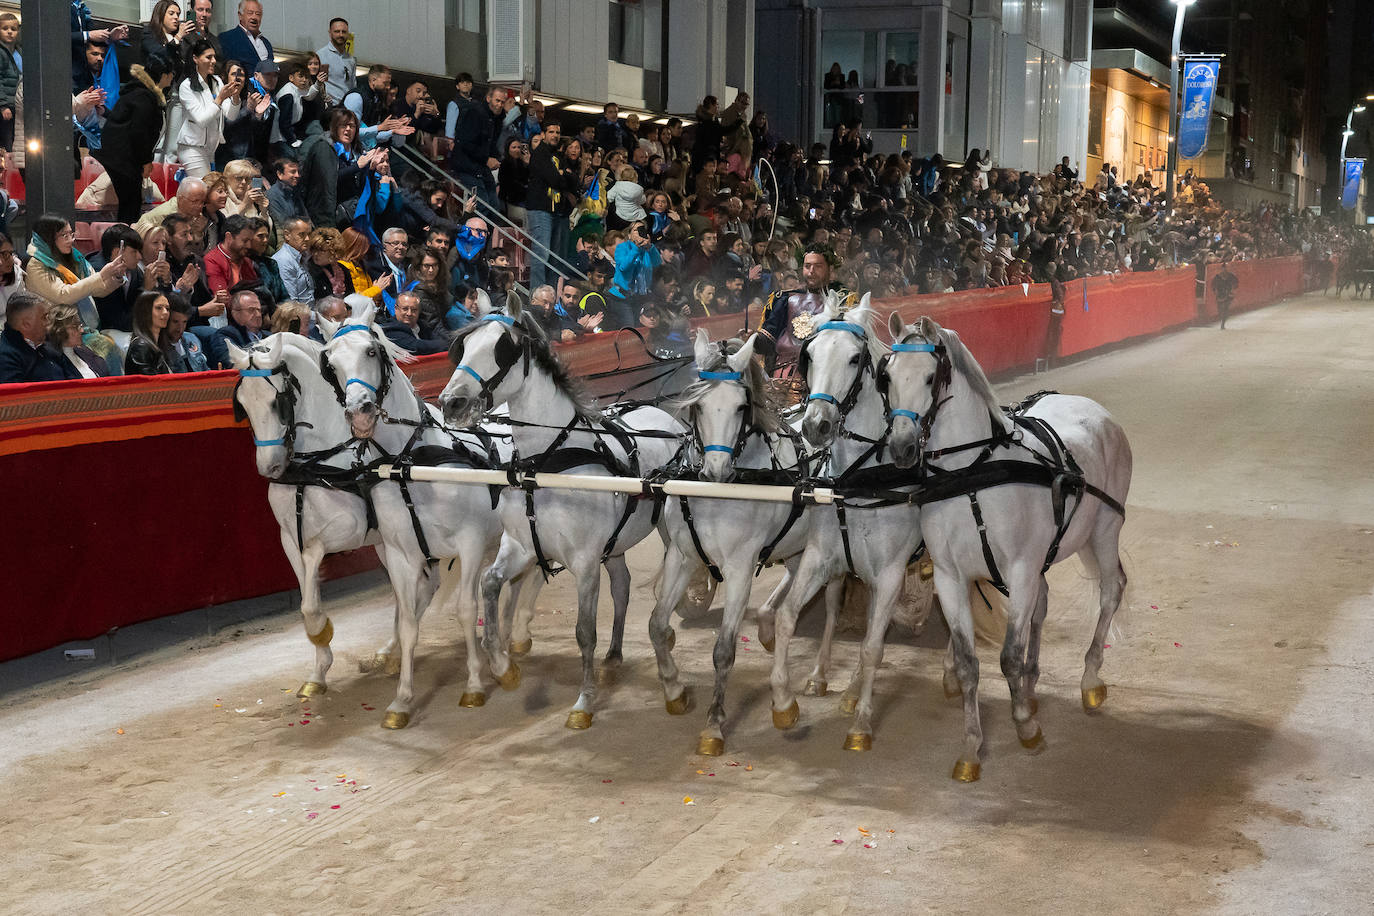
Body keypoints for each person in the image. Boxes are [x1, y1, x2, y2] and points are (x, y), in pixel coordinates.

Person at [26, 214, 125, 335]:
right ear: (48, 238)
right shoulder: (36, 265)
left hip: (79, 326)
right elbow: (63, 295)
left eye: (71, 234)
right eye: (64, 235)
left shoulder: (74, 256)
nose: (70, 240)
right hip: (54, 331)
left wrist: (115, 275)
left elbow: (97, 290)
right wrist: (101, 275)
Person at [755, 245, 847, 373]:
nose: (811, 271)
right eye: (807, 266)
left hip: (821, 379)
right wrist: (752, 339)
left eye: (818, 266)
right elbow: (768, 340)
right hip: (780, 377)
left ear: (830, 269)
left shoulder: (844, 302)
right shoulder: (784, 299)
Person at [299, 106, 385, 228]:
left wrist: (370, 168)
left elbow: (357, 186)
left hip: (346, 215)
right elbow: (329, 181)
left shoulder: (355, 151)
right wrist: (357, 166)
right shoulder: (324, 147)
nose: (348, 129)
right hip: (322, 216)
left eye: (352, 126)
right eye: (343, 125)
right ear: (334, 128)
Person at [177, 39, 240, 178]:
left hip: (211, 149)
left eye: (214, 57)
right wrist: (220, 99)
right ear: (195, 59)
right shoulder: (187, 86)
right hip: (191, 148)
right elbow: (202, 119)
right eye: (208, 57)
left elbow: (231, 115)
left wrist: (235, 97)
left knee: (211, 191)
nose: (213, 61)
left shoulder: (217, 81)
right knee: (206, 190)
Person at [525, 122, 572, 289]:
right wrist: (562, 176)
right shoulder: (539, 154)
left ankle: (550, 295)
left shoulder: (559, 156)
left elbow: (572, 181)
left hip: (557, 211)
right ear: (543, 134)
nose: (555, 135)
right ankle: (536, 294)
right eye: (551, 132)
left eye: (558, 132)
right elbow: (554, 179)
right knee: (541, 254)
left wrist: (563, 176)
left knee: (555, 257)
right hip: (540, 209)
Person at [451, 85, 505, 210]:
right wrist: (487, 159)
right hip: (467, 166)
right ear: (488, 99)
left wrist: (495, 158)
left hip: (481, 168)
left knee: (494, 207)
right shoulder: (475, 112)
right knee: (482, 207)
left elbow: (491, 144)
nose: (500, 105)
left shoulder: (497, 119)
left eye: (502, 102)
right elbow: (465, 142)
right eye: (497, 100)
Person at [91, 224, 152, 332]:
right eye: (134, 252)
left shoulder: (133, 270)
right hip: (104, 332)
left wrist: (165, 283)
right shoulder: (99, 273)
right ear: (116, 253)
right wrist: (146, 291)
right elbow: (119, 322)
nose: (140, 257)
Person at [0, 293, 70, 383]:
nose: (49, 322)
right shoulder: (5, 358)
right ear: (26, 324)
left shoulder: (50, 341)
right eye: (45, 317)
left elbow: (71, 375)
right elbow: (16, 395)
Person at [607, 220, 661, 330]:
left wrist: (650, 247)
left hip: (640, 296)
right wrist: (636, 248)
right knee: (630, 327)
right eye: (636, 230)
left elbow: (657, 262)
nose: (639, 232)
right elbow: (623, 267)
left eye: (642, 229)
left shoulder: (647, 249)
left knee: (643, 326)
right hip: (622, 297)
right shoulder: (622, 248)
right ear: (629, 234)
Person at [47, 302, 111, 378]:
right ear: (59, 330)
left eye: (80, 325)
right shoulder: (53, 363)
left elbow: (104, 374)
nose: (81, 330)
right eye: (75, 326)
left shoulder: (84, 351)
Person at [207, 288, 266, 367]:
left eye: (259, 310)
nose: (258, 315)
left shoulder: (270, 336)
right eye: (251, 310)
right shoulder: (225, 335)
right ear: (235, 313)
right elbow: (234, 363)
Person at [380, 290, 446, 354]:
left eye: (414, 310)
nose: (409, 313)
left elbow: (437, 339)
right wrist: (446, 344)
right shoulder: (391, 328)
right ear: (396, 309)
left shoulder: (422, 325)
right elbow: (416, 347)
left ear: (419, 311)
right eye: (405, 309)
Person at [125, 290, 175, 374]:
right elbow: (149, 384)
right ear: (145, 311)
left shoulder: (161, 345)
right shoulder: (140, 346)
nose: (165, 312)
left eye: (167, 308)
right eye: (159, 308)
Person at [218, 0, 272, 70]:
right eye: (250, 13)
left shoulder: (266, 43)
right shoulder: (227, 38)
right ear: (240, 15)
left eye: (258, 14)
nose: (254, 17)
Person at [272, 217, 314, 303]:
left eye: (309, 234)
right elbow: (291, 303)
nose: (307, 239)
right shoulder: (283, 260)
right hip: (299, 313)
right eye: (302, 234)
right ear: (287, 235)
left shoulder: (304, 255)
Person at [316, 17, 355, 105]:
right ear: (330, 33)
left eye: (344, 32)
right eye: (337, 31)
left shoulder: (351, 59)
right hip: (330, 107)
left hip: (347, 107)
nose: (341, 35)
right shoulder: (320, 56)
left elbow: (353, 85)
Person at [165, 293, 208, 371]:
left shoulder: (192, 339)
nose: (180, 328)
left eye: (184, 322)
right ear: (166, 320)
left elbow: (205, 370)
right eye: (175, 322)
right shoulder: (159, 347)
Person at [0, 12, 21, 157]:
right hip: (5, 106)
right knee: (7, 143)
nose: (9, 32)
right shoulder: (1, 52)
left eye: (13, 29)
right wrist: (3, 105)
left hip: (17, 105)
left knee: (15, 143)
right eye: (5, 28)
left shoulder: (19, 52)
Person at [142, 0, 187, 65]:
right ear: (161, 14)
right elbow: (158, 54)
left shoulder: (180, 36)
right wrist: (178, 37)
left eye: (178, 14)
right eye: (171, 13)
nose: (176, 17)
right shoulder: (149, 33)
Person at [266, 157, 308, 226]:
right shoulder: (272, 195)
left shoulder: (295, 191)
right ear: (280, 174)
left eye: (298, 172)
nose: (297, 175)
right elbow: (283, 224)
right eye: (293, 172)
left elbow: (306, 218)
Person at [0, 230, 25, 321]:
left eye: (11, 254)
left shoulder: (16, 273)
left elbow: (23, 306)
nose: (11, 259)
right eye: (5, 254)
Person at [1214, 259, 1238, 329]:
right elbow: (1214, 285)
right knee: (1220, 309)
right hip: (1220, 294)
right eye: (1223, 268)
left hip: (1228, 294)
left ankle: (1223, 323)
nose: (1225, 269)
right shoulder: (1217, 276)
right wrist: (1215, 291)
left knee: (1226, 308)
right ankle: (1222, 319)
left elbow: (1236, 283)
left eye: (1226, 268)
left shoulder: (1231, 275)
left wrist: (1233, 288)